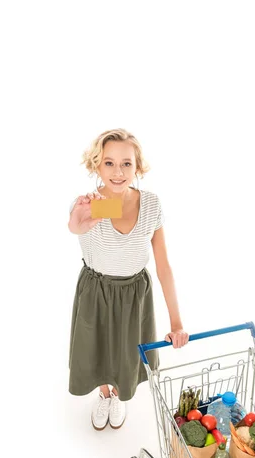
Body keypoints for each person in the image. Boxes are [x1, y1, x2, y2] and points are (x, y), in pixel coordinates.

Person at [68, 128, 189, 430]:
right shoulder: (93, 204)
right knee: (97, 345)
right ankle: (104, 393)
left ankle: (119, 394)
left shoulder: (150, 204)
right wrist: (79, 218)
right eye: (109, 163)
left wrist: (176, 323)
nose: (118, 172)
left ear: (138, 167)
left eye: (126, 163)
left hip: (135, 291)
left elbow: (163, 267)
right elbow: (76, 226)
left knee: (127, 350)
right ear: (96, 165)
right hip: (97, 289)